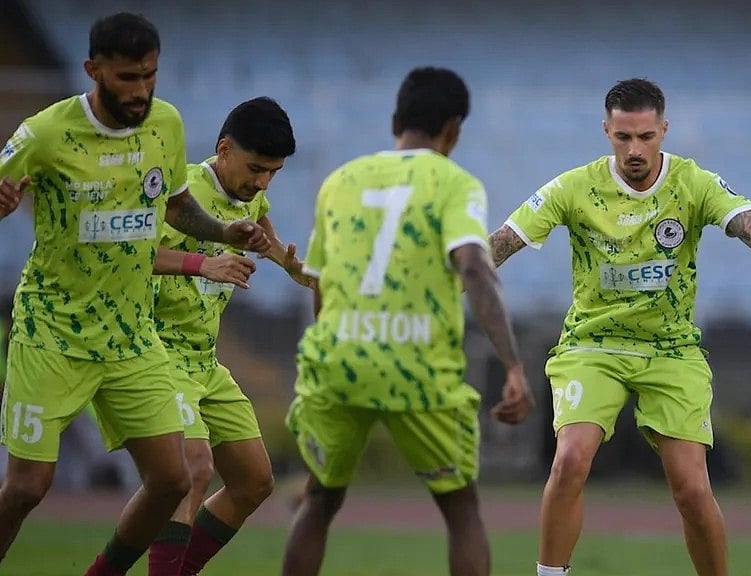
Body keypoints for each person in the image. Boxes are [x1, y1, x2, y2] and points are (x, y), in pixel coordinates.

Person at [488, 78, 751, 576]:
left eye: (646, 137)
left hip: (671, 350)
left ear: (664, 130)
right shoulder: (573, 187)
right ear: (606, 131)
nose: (635, 149)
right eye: (623, 137)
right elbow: (501, 243)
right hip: (593, 344)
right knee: (570, 460)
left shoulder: (692, 183)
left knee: (692, 489)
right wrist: (449, 283)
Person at [0, 13, 269, 576]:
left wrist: (224, 232)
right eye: (127, 78)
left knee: (174, 480)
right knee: (27, 488)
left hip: (129, 337)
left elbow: (175, 206)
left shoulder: (165, 124)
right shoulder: (46, 132)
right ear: (93, 70)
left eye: (149, 76)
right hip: (52, 331)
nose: (141, 91)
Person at [281, 66, 534, 576]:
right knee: (462, 511)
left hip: (340, 359)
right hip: (417, 365)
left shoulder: (340, 181)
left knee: (320, 502)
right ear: (454, 130)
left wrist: (333, 350)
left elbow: (322, 285)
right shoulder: (454, 182)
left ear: (395, 119)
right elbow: (474, 268)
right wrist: (513, 365)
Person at [105, 96, 305, 575]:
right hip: (153, 351)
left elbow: (259, 222)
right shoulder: (182, 190)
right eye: (257, 168)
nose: (262, 181)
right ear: (223, 149)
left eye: (273, 172)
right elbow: (129, 254)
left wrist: (289, 264)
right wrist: (205, 263)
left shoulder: (248, 193)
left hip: (204, 361)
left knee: (254, 482)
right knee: (192, 467)